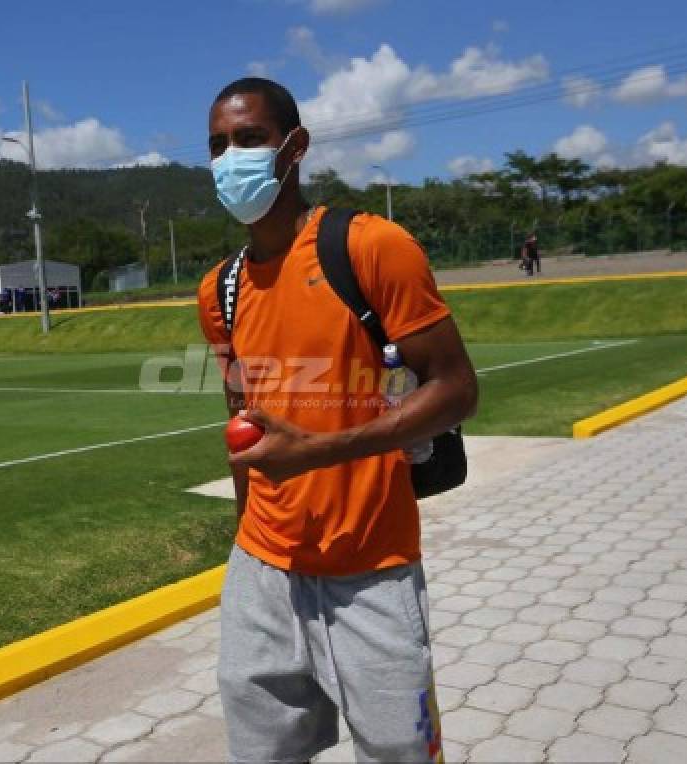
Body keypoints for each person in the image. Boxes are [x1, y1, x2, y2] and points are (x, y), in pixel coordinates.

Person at [197, 77, 478, 763]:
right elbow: (246, 430)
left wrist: (319, 451)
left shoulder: (370, 248)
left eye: (249, 139)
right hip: (262, 569)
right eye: (216, 145)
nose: (230, 157)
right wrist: (246, 544)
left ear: (295, 147)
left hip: (371, 567)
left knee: (402, 754)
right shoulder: (220, 291)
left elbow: (456, 388)